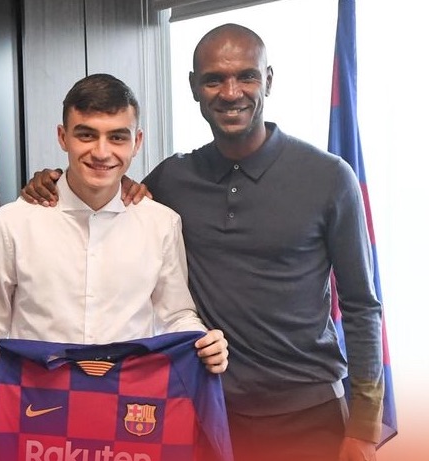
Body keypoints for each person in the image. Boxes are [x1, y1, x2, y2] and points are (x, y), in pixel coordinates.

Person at [21, 24, 384, 461]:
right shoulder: (172, 178)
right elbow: (107, 191)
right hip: (200, 408)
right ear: (195, 87)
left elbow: (362, 306)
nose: (231, 92)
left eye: (246, 76)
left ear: (268, 80)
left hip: (308, 414)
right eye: (214, 79)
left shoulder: (329, 177)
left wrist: (365, 428)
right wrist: (52, 181)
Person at [0, 73, 227, 370]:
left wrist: (204, 342)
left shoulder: (162, 224)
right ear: (62, 137)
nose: (101, 152)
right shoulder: (11, 223)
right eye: (86, 135)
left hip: (130, 393)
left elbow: (176, 316)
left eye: (117, 137)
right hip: (35, 392)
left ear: (137, 142)